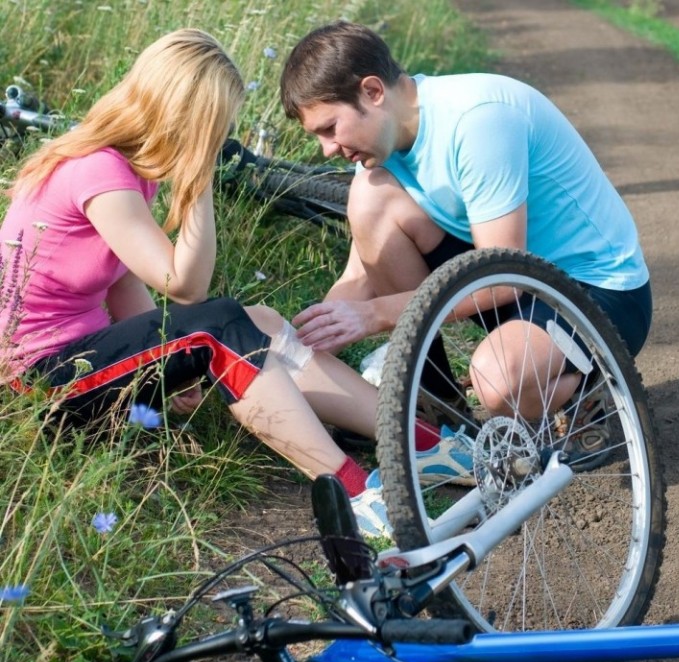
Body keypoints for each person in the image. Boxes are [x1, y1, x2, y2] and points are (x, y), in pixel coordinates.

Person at [0, 28, 468, 538]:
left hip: (82, 357)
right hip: (43, 381)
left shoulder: (122, 167)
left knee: (255, 323)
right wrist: (197, 176)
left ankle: (424, 445)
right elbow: (185, 287)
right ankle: (354, 493)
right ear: (188, 117)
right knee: (218, 325)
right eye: (215, 127)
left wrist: (169, 365)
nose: (221, 139)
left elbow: (121, 286)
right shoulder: (99, 172)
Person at [279, 21, 652, 449]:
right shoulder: (383, 143)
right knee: (369, 196)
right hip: (514, 282)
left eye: (330, 129)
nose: (327, 149)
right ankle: (439, 406)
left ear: (373, 91)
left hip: (597, 292)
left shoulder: (478, 121)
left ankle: (588, 393)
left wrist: (374, 315)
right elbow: (360, 274)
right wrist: (297, 348)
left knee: (498, 380)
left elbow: (503, 278)